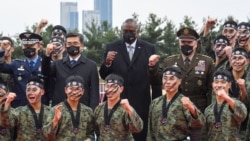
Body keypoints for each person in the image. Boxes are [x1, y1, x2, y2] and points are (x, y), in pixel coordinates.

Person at [99, 18, 162, 141]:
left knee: (139, 134)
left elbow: (155, 79)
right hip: (117, 102)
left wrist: (152, 67)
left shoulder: (148, 48)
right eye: (125, 31)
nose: (128, 34)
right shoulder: (112, 47)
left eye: (131, 31)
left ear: (138, 31)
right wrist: (107, 63)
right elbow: (103, 75)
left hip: (141, 102)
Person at [149, 27, 215, 140]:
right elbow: (159, 81)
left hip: (199, 110)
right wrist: (152, 67)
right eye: (183, 42)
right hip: (175, 112)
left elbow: (211, 90)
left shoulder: (206, 61)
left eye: (189, 42)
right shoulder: (169, 61)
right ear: (179, 43)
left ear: (196, 43)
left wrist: (210, 111)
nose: (186, 45)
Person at [42, 32, 99, 110]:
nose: (72, 46)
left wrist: (93, 111)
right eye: (69, 43)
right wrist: (47, 55)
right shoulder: (57, 64)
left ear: (82, 46)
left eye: (75, 43)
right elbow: (45, 72)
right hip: (60, 109)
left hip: (83, 110)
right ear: (65, 46)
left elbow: (94, 92)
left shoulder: (91, 65)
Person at [147, 66, 205, 140]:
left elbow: (200, 123)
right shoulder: (155, 103)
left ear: (179, 81)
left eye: (171, 78)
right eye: (165, 78)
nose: (167, 82)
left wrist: (191, 108)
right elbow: (150, 131)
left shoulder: (184, 102)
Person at [43, 75, 95, 141]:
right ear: (65, 90)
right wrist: (55, 121)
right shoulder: (56, 110)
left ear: (83, 91)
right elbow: (45, 135)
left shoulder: (88, 111)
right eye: (71, 89)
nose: (74, 92)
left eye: (78, 89)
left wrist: (89, 139)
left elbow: (91, 134)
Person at [94, 73, 143, 140]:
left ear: (121, 89)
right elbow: (96, 131)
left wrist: (129, 109)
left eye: (114, 86)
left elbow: (139, 128)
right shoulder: (99, 109)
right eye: (107, 86)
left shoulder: (126, 108)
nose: (110, 90)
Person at [0, 32, 44, 108]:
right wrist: (1, 50)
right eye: (25, 45)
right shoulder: (16, 64)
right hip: (19, 108)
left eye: (31, 45)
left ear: (39, 46)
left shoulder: (47, 65)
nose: (28, 48)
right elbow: (1, 67)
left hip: (41, 108)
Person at [202, 69, 247, 141]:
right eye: (216, 82)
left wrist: (226, 97)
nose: (219, 85)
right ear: (212, 85)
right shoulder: (208, 109)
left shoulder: (236, 103)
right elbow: (204, 134)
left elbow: (242, 116)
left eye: (223, 82)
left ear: (229, 84)